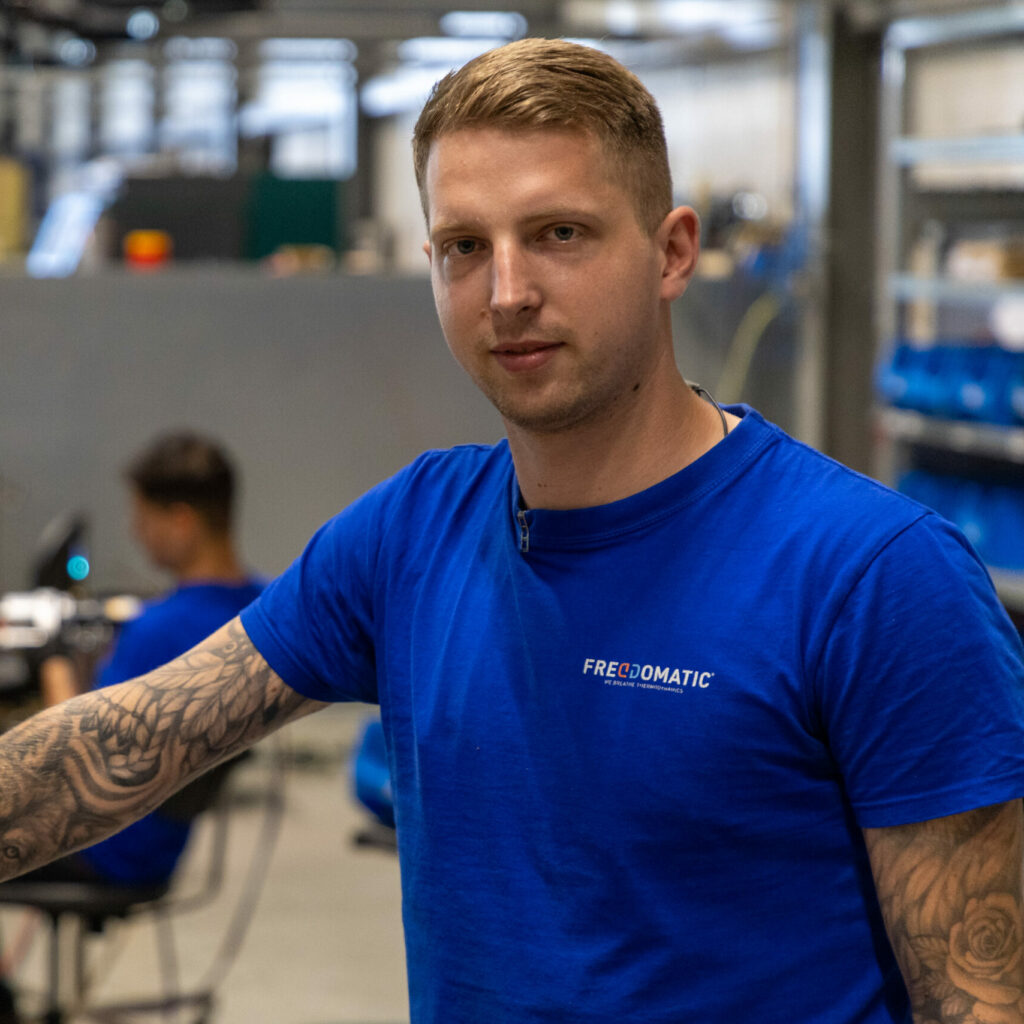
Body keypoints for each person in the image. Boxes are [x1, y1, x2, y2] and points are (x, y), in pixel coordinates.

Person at [0, 38, 1021, 1024]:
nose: (507, 293)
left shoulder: (875, 578)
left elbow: (977, 1000)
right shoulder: (408, 534)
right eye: (463, 248)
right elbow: (129, 738)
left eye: (559, 234)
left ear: (672, 252)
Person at [34, 431, 264, 886]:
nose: (135, 531)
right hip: (160, 847)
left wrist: (52, 658)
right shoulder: (266, 605)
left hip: (103, 845)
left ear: (181, 521)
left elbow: (73, 753)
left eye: (142, 517)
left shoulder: (158, 630)